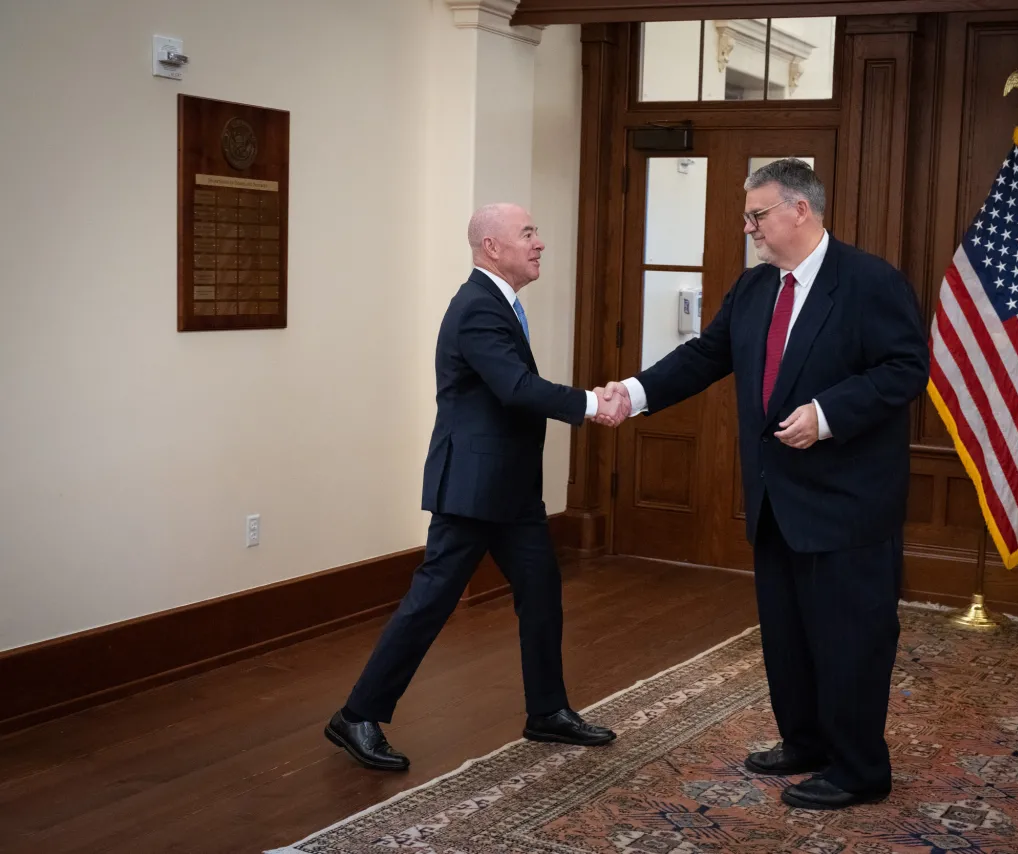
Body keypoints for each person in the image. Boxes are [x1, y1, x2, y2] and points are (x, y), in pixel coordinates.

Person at [602, 159, 929, 809]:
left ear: (799, 211)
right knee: (788, 634)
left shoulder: (868, 281)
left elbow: (905, 369)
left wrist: (827, 415)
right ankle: (805, 741)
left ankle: (861, 770)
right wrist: (633, 393)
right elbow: (705, 356)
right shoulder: (755, 289)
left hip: (848, 502)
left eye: (756, 215)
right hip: (776, 500)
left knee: (850, 639)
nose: (747, 227)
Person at [324, 203, 627, 771]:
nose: (540, 244)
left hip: (509, 490)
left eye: (537, 232)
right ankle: (358, 715)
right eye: (528, 234)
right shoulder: (477, 310)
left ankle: (547, 712)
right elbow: (515, 388)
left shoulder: (498, 306)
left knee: (541, 592)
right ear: (492, 247)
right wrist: (591, 403)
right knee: (431, 602)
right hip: (473, 486)